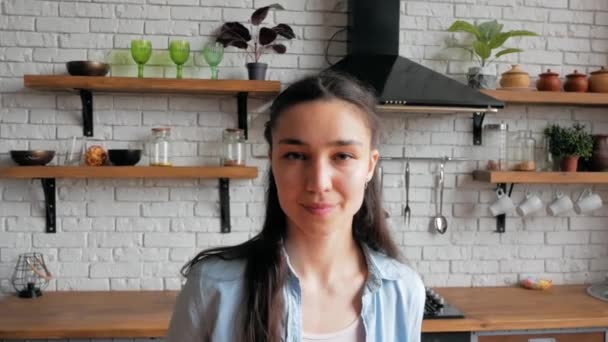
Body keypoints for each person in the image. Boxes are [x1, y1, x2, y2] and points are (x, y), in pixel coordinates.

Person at [167, 72, 425, 342]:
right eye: (295, 155)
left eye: (342, 156)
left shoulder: (403, 290)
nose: (318, 183)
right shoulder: (213, 286)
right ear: (273, 162)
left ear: (370, 165)